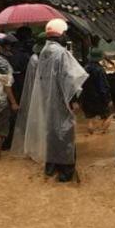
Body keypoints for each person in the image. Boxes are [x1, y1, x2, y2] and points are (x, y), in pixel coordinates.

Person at [24, 19, 88, 182]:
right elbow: (72, 77)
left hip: (47, 100)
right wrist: (74, 100)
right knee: (65, 134)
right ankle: (66, 173)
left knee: (51, 133)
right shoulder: (61, 53)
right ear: (60, 35)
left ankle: (51, 169)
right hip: (60, 100)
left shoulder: (44, 52)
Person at [10, 32, 46, 160]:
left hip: (33, 93)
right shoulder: (34, 59)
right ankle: (35, 148)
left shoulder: (33, 58)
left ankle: (36, 148)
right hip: (36, 94)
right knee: (37, 120)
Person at [3, 26, 34, 150]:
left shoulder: (8, 53)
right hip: (23, 86)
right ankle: (23, 142)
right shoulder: (26, 53)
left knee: (11, 114)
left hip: (9, 87)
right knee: (24, 114)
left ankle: (9, 142)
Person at [80, 47, 112, 134]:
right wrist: (108, 99)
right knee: (108, 116)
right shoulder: (100, 70)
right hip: (98, 99)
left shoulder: (85, 68)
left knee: (90, 118)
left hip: (86, 97)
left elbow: (80, 84)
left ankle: (91, 134)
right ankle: (102, 134)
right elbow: (103, 87)